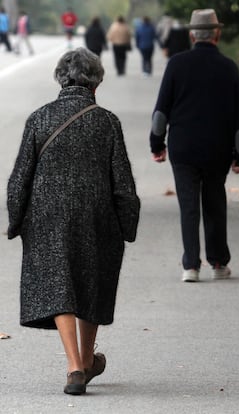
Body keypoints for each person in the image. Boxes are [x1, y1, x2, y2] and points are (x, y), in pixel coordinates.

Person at [7, 47, 140, 395]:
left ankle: (75, 367)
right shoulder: (106, 121)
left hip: (47, 217)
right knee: (90, 283)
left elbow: (20, 177)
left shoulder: (39, 118)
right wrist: (127, 223)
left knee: (59, 287)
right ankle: (85, 357)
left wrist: (16, 219)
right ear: (96, 81)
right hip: (97, 217)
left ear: (60, 78)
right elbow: (122, 182)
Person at [149, 9, 239, 282]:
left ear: (192, 34)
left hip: (183, 147)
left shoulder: (176, 64)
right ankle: (218, 263)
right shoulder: (229, 67)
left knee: (188, 205)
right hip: (218, 148)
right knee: (215, 201)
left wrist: (156, 143)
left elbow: (161, 112)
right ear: (217, 34)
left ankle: (191, 266)